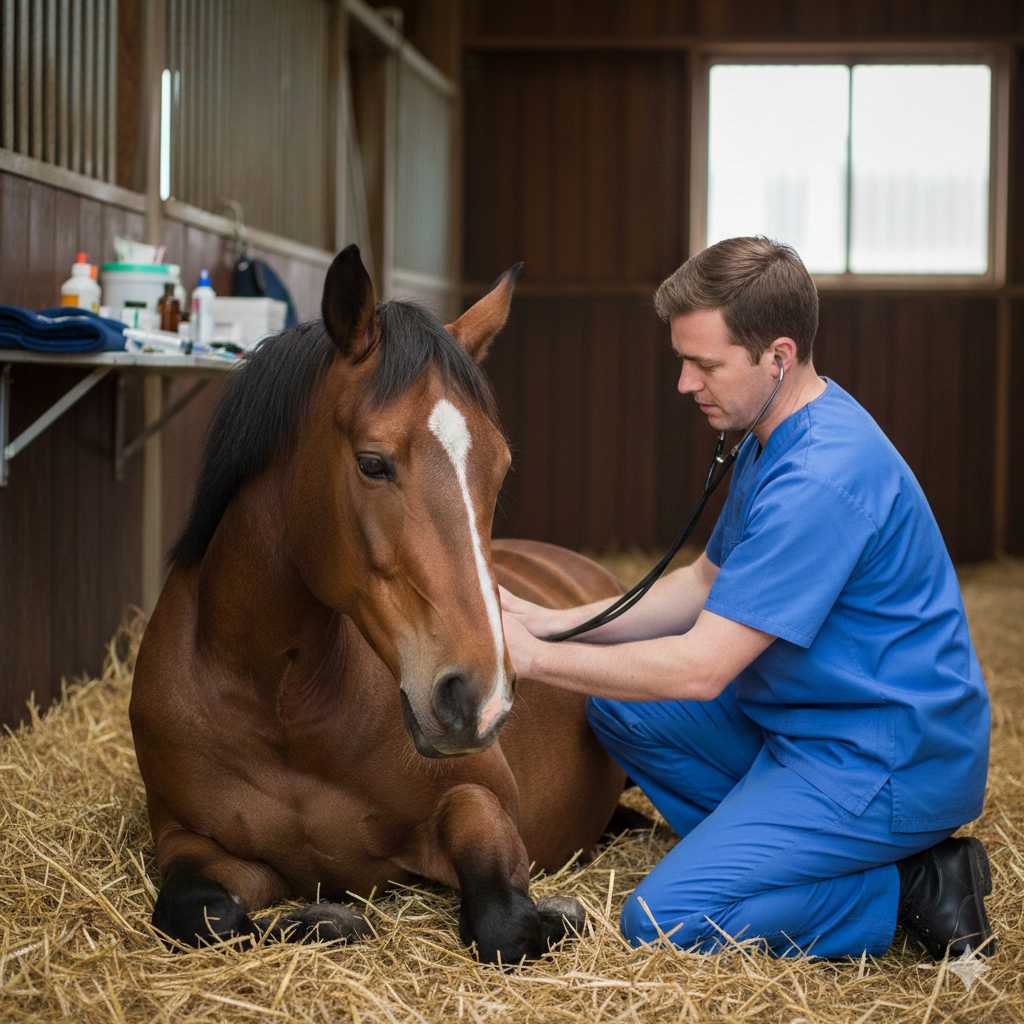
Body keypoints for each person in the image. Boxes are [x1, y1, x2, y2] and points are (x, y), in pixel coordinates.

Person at [500, 236, 994, 960]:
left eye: (704, 364)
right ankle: (783, 852)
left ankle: (908, 887)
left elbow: (702, 669)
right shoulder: (773, 434)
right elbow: (701, 581)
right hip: (807, 728)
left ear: (778, 356)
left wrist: (532, 659)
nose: (683, 383)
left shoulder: (822, 477)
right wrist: (550, 620)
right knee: (618, 710)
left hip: (885, 760)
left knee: (662, 922)